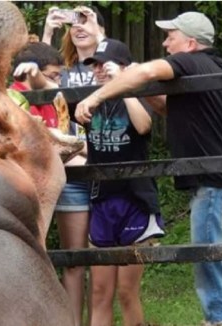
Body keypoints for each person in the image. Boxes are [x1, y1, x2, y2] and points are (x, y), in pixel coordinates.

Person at [75, 12, 222, 326]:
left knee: (212, 269)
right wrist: (129, 83)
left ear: (189, 42)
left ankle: (221, 323)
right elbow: (169, 109)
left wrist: (97, 95)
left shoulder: (191, 62)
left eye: (170, 37)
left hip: (218, 187)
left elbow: (147, 71)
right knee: (215, 267)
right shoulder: (216, 66)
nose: (164, 42)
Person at [15, 7, 105, 326]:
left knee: (103, 259)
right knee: (68, 259)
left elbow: (44, 74)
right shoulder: (37, 89)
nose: (79, 27)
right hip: (60, 178)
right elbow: (35, 77)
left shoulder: (102, 65)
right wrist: (48, 32)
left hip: (100, 173)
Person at [76, 38, 165, 326]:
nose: (99, 70)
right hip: (102, 200)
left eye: (104, 64)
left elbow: (143, 126)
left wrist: (124, 83)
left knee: (127, 292)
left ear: (123, 65)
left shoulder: (138, 97)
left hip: (135, 199)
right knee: (100, 291)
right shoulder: (88, 101)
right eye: (95, 65)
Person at [9, 42, 63, 128]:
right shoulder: (14, 101)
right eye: (52, 76)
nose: (59, 82)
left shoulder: (47, 97)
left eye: (59, 76)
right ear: (29, 73)